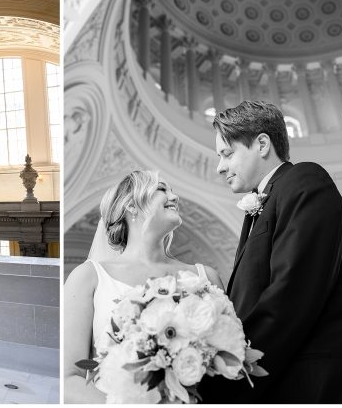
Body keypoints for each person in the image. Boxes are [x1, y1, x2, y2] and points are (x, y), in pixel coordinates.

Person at [197, 101, 342, 403]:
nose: (220, 166)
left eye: (227, 153)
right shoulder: (264, 202)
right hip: (281, 385)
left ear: (262, 144)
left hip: (316, 388)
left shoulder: (305, 181)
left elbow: (292, 293)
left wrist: (227, 379)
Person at [63, 170, 223, 403]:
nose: (174, 197)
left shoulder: (206, 276)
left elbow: (228, 363)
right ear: (131, 206)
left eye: (173, 191)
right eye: (162, 189)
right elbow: (69, 378)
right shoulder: (89, 277)